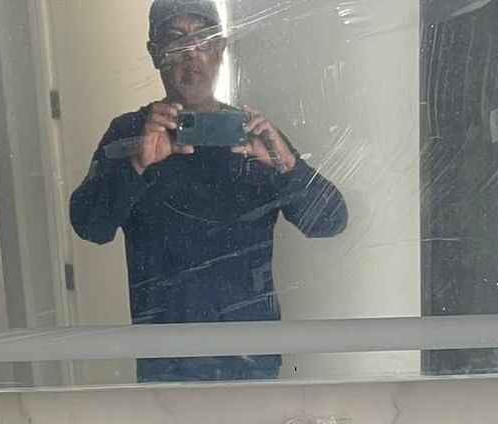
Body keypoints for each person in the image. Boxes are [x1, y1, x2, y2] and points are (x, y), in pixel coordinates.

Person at [68, 1, 348, 383]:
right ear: (154, 54)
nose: (192, 54)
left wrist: (287, 168)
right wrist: (135, 165)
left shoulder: (251, 136)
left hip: (251, 357)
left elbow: (330, 222)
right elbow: (90, 225)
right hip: (165, 358)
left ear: (221, 49)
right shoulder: (130, 133)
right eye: (176, 41)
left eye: (204, 39)